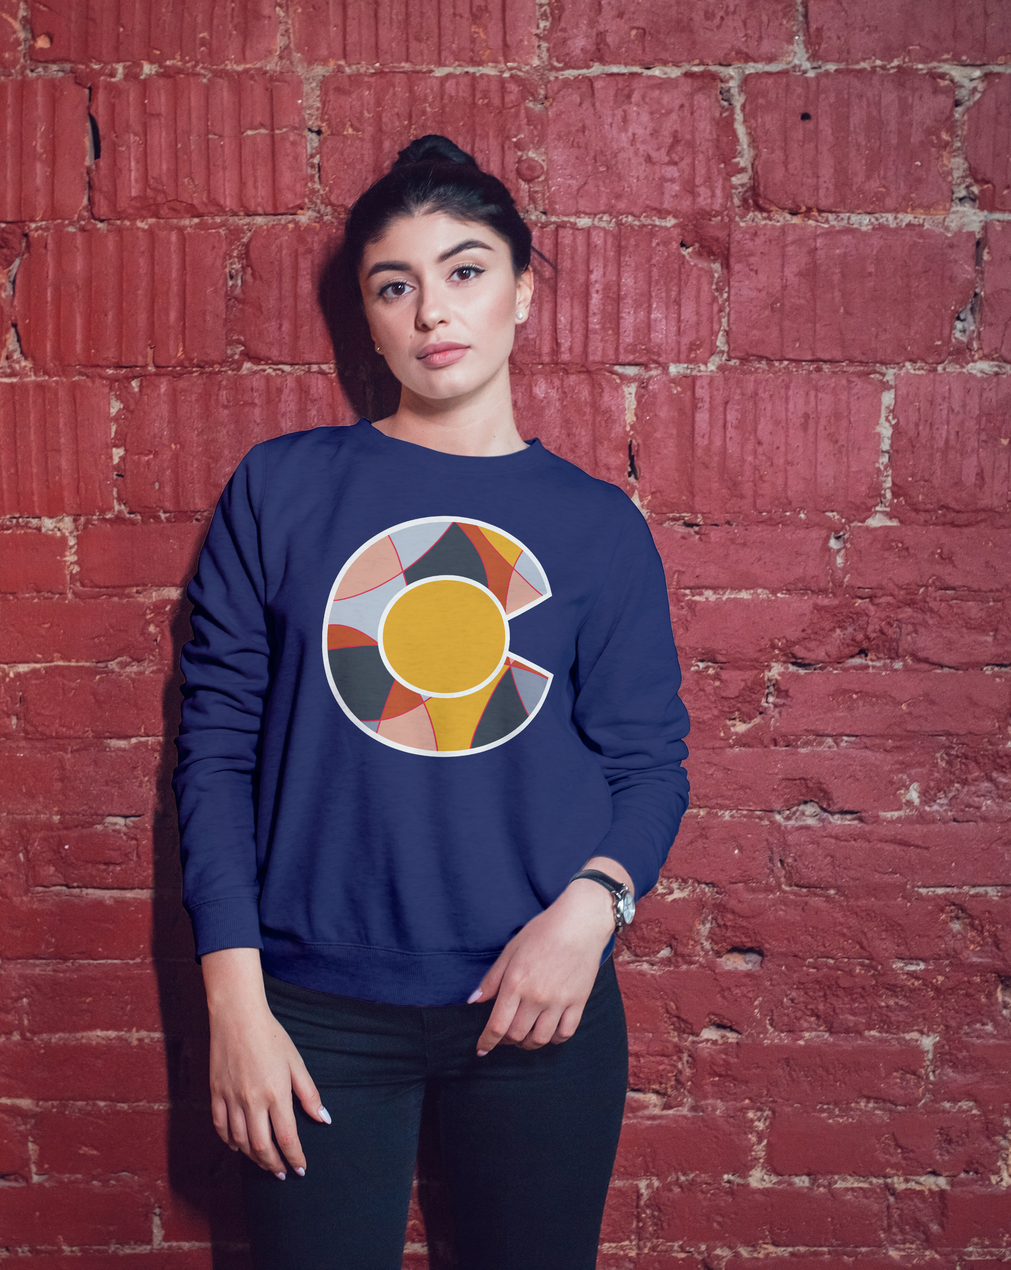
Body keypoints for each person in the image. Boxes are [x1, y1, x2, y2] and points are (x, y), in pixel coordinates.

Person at [172, 133, 692, 1270]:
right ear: (366, 318)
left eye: (465, 270)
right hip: (311, 1007)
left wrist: (591, 911)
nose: (432, 311)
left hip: (537, 1001)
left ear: (524, 291)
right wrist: (236, 1005)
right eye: (393, 285)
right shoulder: (282, 488)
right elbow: (214, 752)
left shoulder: (596, 525)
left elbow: (650, 763)